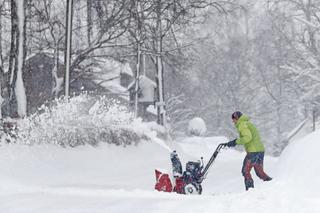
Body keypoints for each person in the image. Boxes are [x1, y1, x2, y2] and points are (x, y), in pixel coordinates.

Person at [224, 111, 272, 191]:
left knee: (245, 171)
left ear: (237, 118)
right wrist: (234, 142)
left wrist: (235, 142)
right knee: (260, 173)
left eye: (234, 119)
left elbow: (247, 137)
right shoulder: (247, 123)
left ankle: (250, 191)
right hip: (259, 150)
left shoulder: (242, 124)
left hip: (253, 151)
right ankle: (273, 184)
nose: (233, 122)